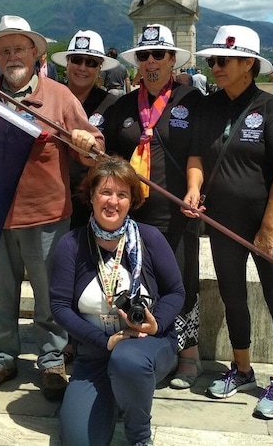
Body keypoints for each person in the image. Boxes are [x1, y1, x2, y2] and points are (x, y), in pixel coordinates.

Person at [0, 15, 104, 399]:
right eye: (5, 50)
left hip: (47, 217)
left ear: (36, 53)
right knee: (1, 294)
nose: (13, 56)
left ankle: (51, 360)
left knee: (49, 295)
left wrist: (85, 141)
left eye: (20, 49)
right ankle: (2, 357)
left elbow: (93, 145)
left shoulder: (59, 96)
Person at [183, 25, 273, 419]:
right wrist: (194, 190)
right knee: (234, 296)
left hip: (269, 226)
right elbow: (197, 156)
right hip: (222, 224)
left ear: (248, 64)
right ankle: (243, 369)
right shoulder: (209, 106)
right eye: (212, 60)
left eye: (223, 60)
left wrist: (267, 230)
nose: (214, 66)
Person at [50, 156, 185, 446]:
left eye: (122, 194)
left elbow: (176, 291)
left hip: (145, 345)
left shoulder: (149, 238)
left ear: (132, 200)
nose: (113, 202)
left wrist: (156, 323)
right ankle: (112, 394)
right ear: (92, 196)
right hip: (96, 351)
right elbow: (59, 306)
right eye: (105, 192)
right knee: (77, 441)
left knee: (127, 360)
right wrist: (104, 341)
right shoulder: (71, 244)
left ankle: (139, 436)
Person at [101, 23, 203, 391]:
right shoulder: (123, 105)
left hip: (177, 213)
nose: (150, 62)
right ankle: (148, 346)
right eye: (143, 56)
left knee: (182, 280)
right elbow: (110, 157)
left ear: (172, 59)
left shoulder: (191, 101)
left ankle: (188, 352)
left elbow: (199, 153)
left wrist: (194, 190)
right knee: (138, 282)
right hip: (134, 217)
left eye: (158, 54)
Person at [51, 30, 118, 229]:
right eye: (77, 60)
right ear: (67, 63)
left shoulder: (112, 105)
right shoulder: (51, 97)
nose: (82, 67)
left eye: (91, 62)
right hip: (54, 200)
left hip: (95, 203)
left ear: (100, 68)